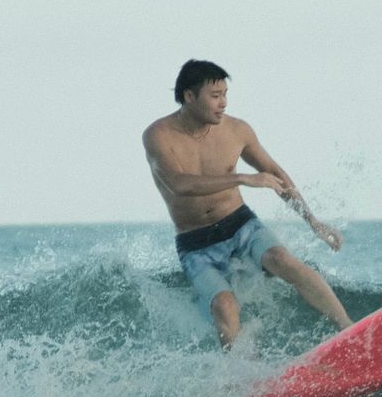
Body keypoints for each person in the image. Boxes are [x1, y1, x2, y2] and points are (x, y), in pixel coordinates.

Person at [143, 60, 354, 348]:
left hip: (241, 225)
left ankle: (349, 330)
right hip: (196, 244)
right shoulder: (158, 135)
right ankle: (241, 376)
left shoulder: (237, 131)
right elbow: (179, 185)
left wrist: (312, 221)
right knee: (224, 306)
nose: (223, 103)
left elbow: (276, 173)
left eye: (225, 95)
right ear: (190, 96)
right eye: (215, 96)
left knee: (284, 261)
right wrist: (242, 178)